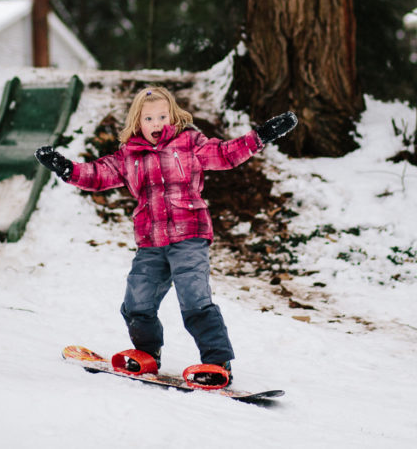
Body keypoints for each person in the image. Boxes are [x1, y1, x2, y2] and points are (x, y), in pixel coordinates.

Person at [35, 86, 297, 387]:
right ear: (137, 122)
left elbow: (225, 154)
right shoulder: (128, 156)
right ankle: (147, 354)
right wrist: (66, 168)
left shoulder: (190, 144)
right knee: (137, 302)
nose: (157, 123)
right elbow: (97, 174)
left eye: (162, 116)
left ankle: (217, 361)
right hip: (151, 241)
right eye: (149, 118)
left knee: (195, 301)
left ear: (172, 117)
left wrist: (261, 135)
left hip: (190, 235)